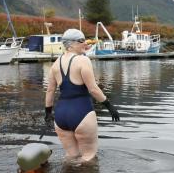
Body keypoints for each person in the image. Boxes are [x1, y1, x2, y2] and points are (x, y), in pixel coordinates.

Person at [44, 28, 120, 162]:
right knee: (88, 157)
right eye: (81, 41)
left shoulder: (55, 64)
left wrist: (48, 113)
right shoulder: (83, 61)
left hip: (61, 116)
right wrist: (109, 106)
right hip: (82, 113)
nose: (85, 43)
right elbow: (93, 89)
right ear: (71, 44)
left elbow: (50, 91)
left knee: (71, 156)